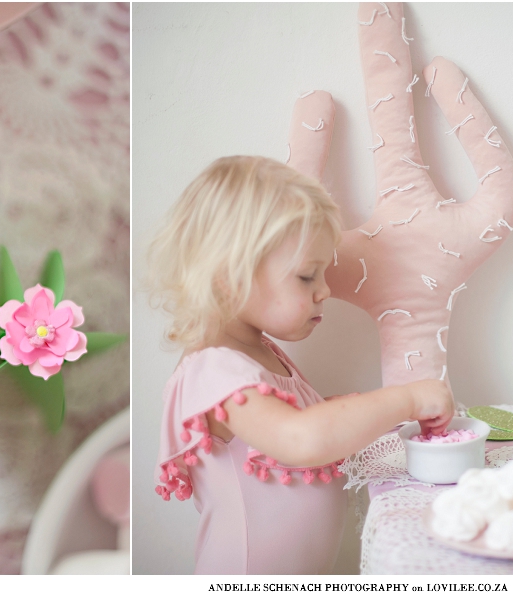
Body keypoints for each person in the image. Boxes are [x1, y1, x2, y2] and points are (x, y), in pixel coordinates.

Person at [145, 156, 455, 574]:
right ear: (229, 277)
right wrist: (407, 399)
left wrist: (349, 410)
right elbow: (300, 440)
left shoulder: (259, 354)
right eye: (307, 276)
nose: (325, 290)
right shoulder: (214, 370)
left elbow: (283, 430)